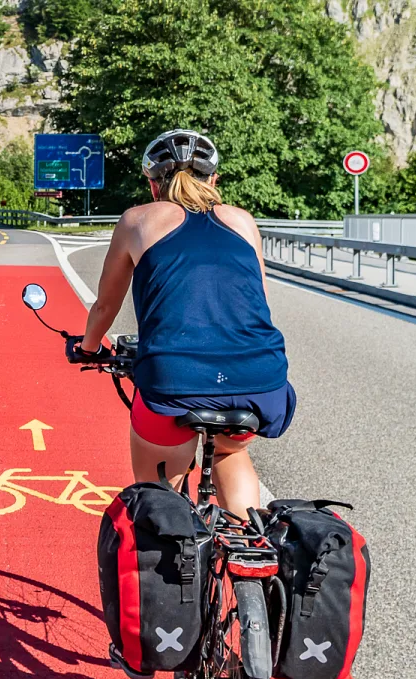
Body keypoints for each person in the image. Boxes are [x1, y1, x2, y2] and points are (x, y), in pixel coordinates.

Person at [72, 129, 293, 517]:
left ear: (152, 184)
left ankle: (171, 542)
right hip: (259, 379)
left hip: (174, 379)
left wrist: (87, 348)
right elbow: (259, 303)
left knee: (159, 489)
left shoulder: (138, 220)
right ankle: (250, 553)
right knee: (227, 449)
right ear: (214, 179)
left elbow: (105, 307)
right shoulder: (242, 221)